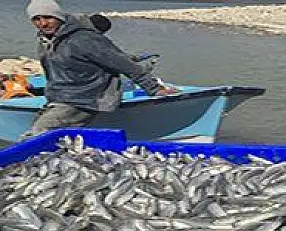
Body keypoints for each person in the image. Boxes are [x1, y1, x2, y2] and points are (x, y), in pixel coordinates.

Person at [22, 0, 178, 139]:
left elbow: (124, 63)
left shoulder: (84, 39)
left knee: (40, 131)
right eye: (36, 19)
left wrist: (154, 89)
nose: (43, 24)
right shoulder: (46, 40)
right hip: (59, 98)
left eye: (48, 17)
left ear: (59, 17)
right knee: (39, 131)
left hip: (84, 98)